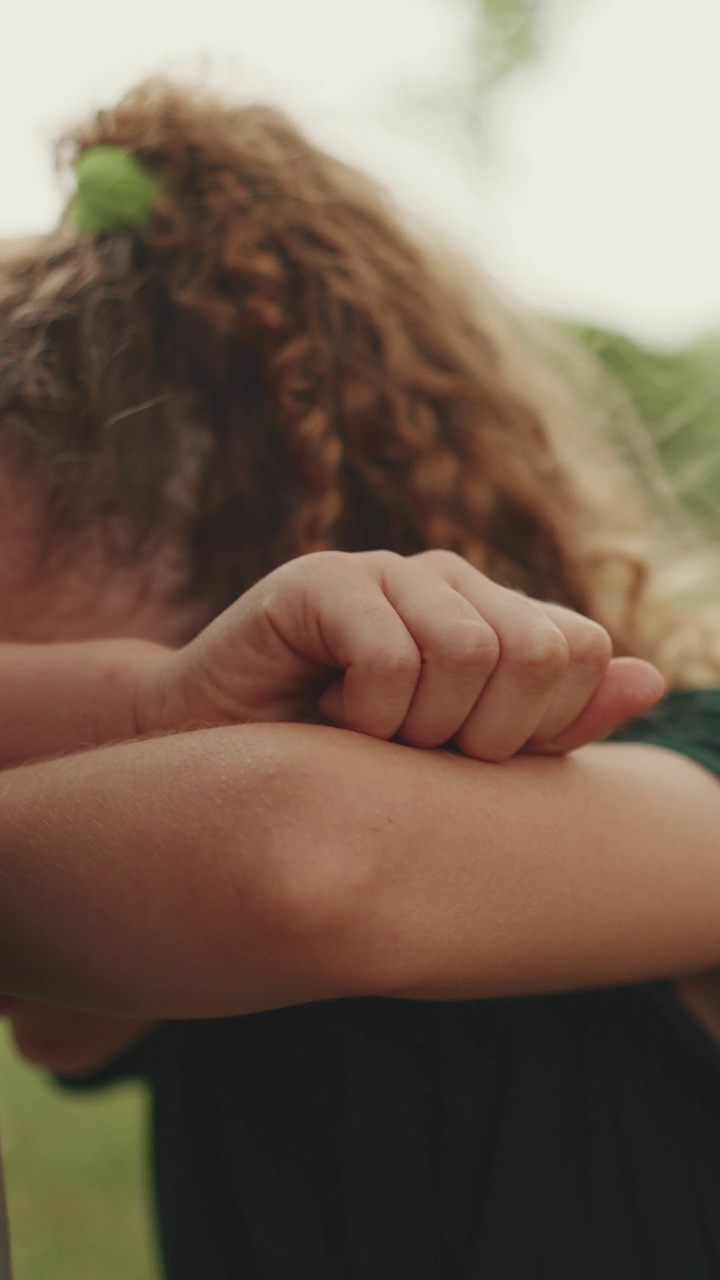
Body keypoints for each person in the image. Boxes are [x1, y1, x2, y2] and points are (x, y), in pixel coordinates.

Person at [1, 79, 720, 1278]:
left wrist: (149, 713)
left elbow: (300, 858)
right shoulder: (128, 947)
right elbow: (65, 1019)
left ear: (282, 581)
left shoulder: (683, 780)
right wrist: (140, 701)